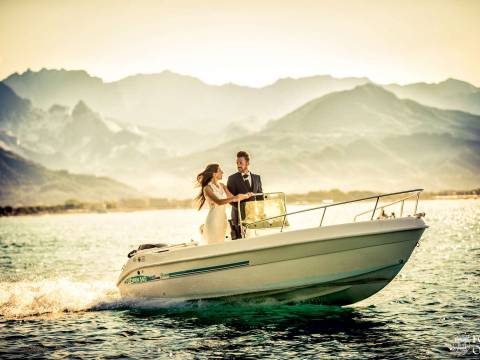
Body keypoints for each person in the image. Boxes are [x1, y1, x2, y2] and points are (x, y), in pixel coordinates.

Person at [195, 163, 253, 245]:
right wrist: (235, 197)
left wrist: (246, 195)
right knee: (213, 244)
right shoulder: (207, 188)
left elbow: (233, 198)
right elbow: (219, 202)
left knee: (221, 242)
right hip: (213, 220)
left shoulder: (222, 186)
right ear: (214, 174)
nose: (222, 172)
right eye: (220, 171)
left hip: (223, 219)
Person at [227, 151, 263, 239]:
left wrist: (261, 212)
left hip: (254, 217)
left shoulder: (257, 178)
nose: (238, 165)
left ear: (247, 163)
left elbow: (260, 197)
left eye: (241, 163)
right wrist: (243, 210)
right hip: (239, 217)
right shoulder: (232, 179)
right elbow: (230, 199)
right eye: (237, 163)